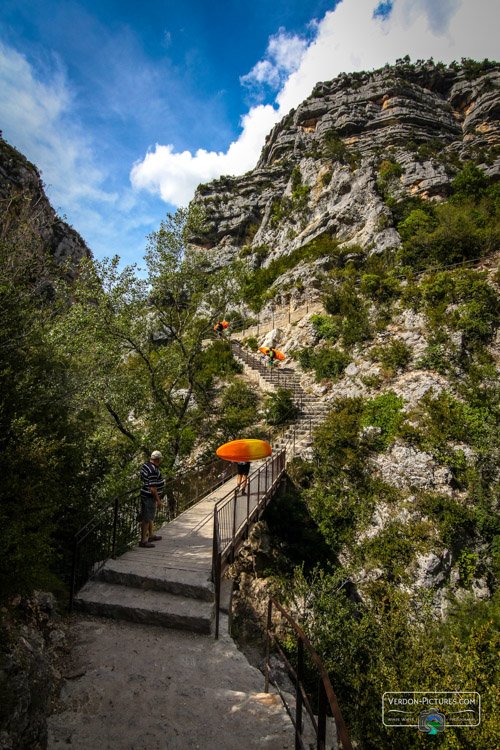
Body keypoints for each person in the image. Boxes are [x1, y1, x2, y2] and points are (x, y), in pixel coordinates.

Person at [139, 450, 164, 548]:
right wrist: (158, 500)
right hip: (150, 496)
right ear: (158, 459)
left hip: (146, 494)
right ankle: (143, 541)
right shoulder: (153, 470)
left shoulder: (146, 466)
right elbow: (153, 488)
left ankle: (151, 535)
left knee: (150, 517)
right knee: (147, 518)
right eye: (160, 459)